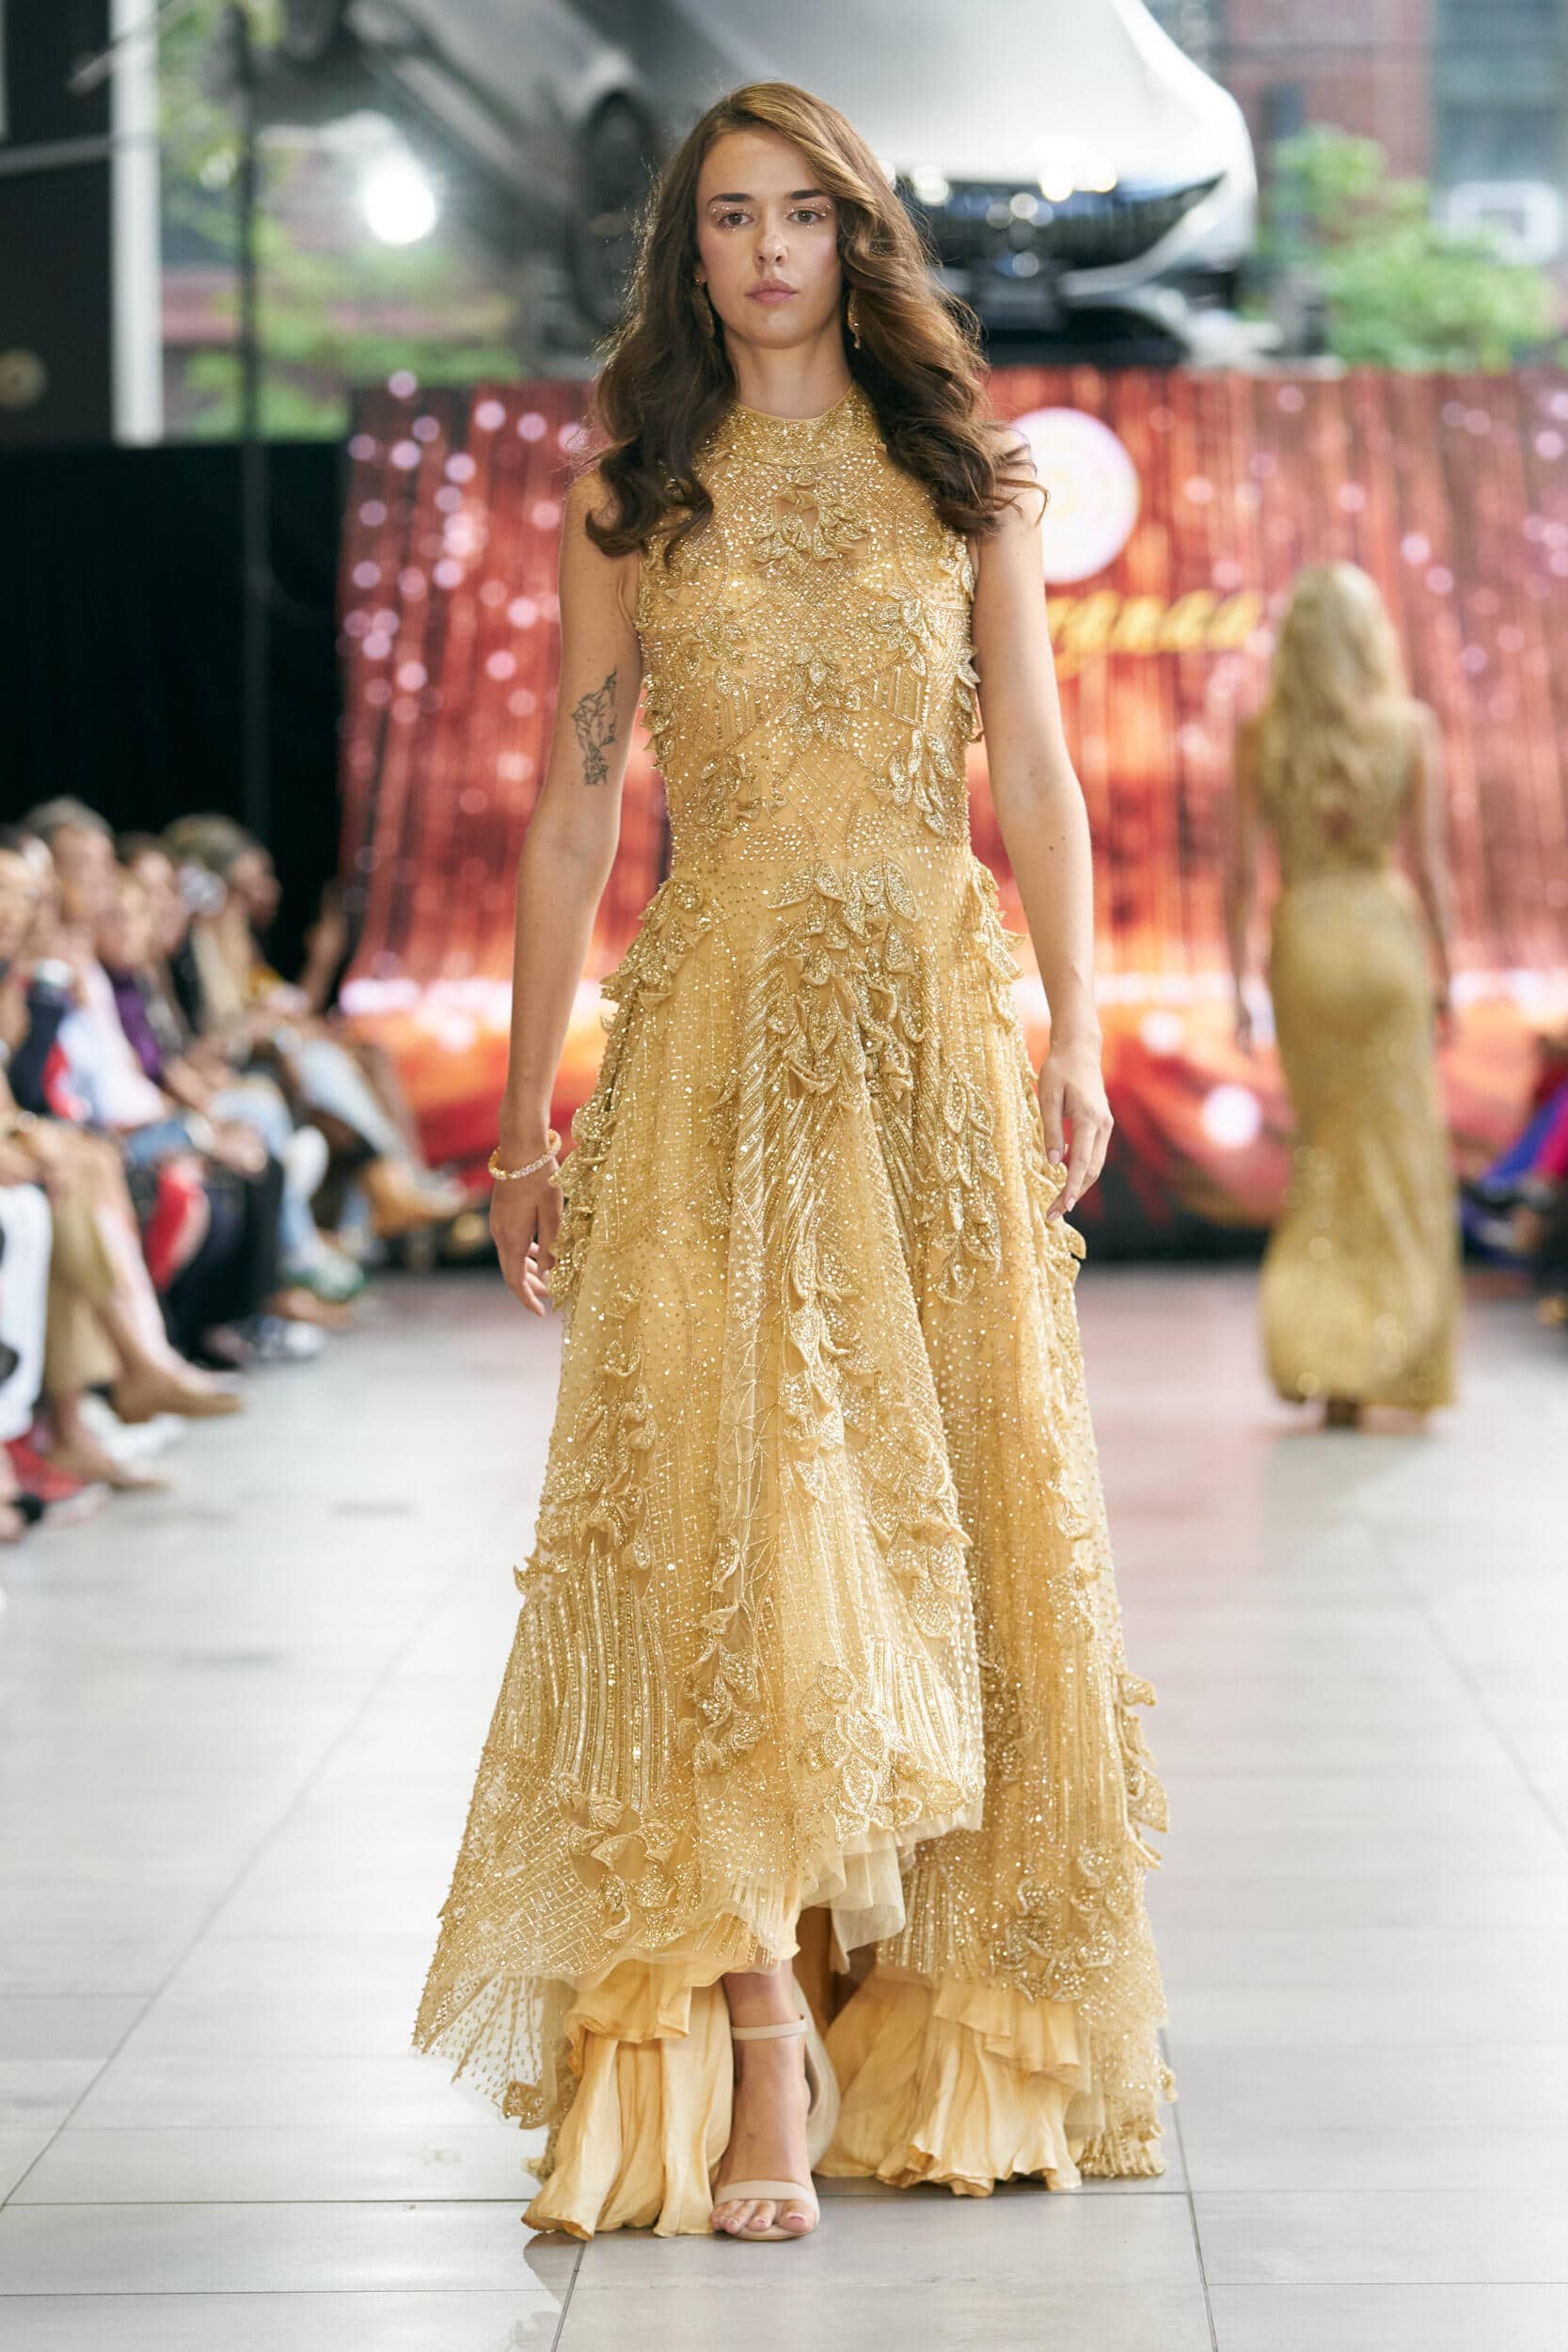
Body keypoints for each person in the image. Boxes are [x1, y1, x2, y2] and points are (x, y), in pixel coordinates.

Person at [412, 82, 1172, 2245]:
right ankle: (757, 2037)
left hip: (926, 1044)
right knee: (723, 1525)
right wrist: (518, 1117)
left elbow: (1036, 769)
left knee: (942, 1528)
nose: (765, 252)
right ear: (688, 252)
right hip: (716, 1052)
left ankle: (940, 2014)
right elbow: (575, 803)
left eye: (801, 215)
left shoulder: (962, 477)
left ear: (856, 237)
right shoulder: (635, 491)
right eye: (728, 218)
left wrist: (1078, 1027)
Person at [1226, 563, 1459, 1425]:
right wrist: (1448, 975)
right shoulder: (1409, 729)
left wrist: (1235, 986)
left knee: (1324, 1153)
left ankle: (1325, 1354)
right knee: (1397, 1159)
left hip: (1306, 947)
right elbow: (1430, 869)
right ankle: (1385, 1357)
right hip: (1384, 943)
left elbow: (1239, 875)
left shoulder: (1260, 736)